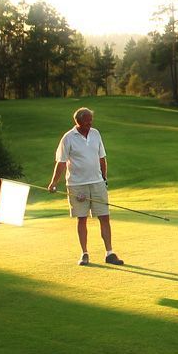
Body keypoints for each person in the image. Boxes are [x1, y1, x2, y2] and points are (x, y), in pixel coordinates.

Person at [48, 107, 124, 266]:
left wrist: (104, 178)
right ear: (78, 122)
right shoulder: (68, 138)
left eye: (91, 120)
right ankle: (84, 253)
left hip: (97, 183)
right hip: (77, 185)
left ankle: (110, 253)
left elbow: (102, 157)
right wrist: (54, 182)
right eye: (87, 121)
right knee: (81, 219)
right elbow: (61, 162)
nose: (90, 123)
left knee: (104, 216)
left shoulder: (96, 134)